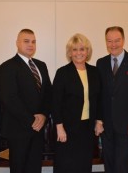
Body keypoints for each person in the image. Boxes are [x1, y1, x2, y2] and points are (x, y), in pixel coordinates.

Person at [95, 26, 128, 173]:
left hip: (127, 125)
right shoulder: (101, 63)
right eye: (109, 41)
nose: (113, 44)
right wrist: (99, 120)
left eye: (117, 40)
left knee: (121, 165)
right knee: (109, 164)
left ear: (123, 40)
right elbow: (99, 95)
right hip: (106, 125)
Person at [0, 28, 52, 173]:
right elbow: (9, 99)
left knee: (35, 168)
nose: (30, 45)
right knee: (19, 169)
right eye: (26, 41)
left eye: (33, 42)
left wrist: (44, 115)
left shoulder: (41, 65)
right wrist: (32, 121)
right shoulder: (7, 67)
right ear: (17, 43)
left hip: (38, 130)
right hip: (18, 131)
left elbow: (48, 94)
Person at [52, 33, 100, 173]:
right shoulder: (62, 73)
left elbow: (99, 99)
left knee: (84, 164)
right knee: (66, 165)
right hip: (67, 128)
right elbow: (55, 102)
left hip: (87, 128)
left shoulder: (95, 72)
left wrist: (99, 121)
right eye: (75, 49)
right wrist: (59, 128)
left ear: (87, 51)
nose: (79, 53)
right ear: (70, 53)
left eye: (82, 49)